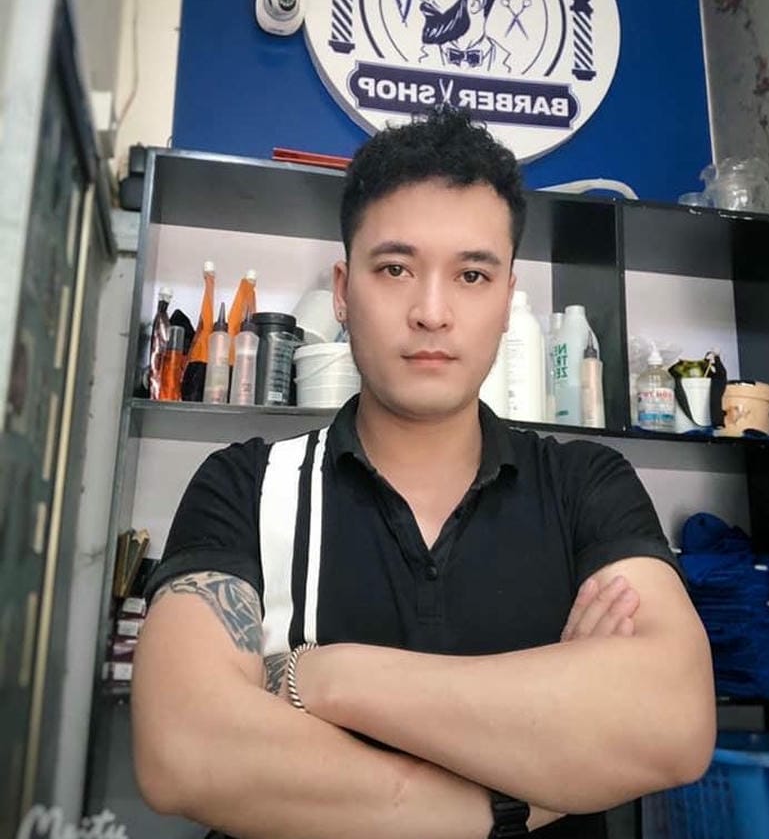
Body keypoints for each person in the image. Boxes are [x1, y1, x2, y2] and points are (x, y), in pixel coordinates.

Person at [132, 107, 716, 839]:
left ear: (507, 298)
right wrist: (516, 787)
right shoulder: (245, 487)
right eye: (395, 269)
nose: (432, 312)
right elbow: (183, 753)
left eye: (472, 274)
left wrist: (323, 678)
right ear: (343, 290)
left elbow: (672, 725)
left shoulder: (586, 485)